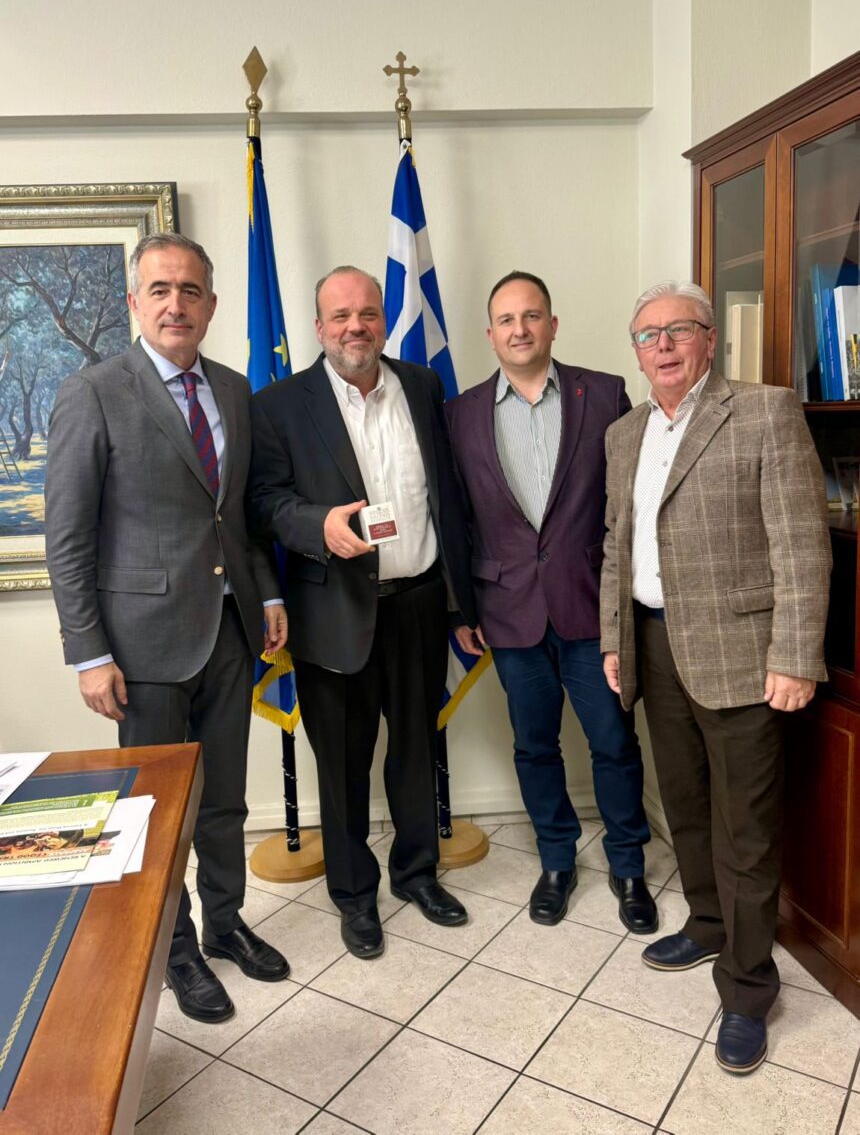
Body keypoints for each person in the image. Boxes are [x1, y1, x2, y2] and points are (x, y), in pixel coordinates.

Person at [45, 233, 290, 1024]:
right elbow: (68, 537)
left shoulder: (235, 389)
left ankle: (224, 923)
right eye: (159, 289)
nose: (175, 303)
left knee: (224, 799)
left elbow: (237, 517)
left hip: (230, 633)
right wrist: (88, 653)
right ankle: (173, 947)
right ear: (134, 302)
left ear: (211, 305)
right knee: (156, 812)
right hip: (140, 646)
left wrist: (267, 595)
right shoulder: (93, 391)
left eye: (189, 290)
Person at [601, 279, 831, 1074]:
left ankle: (748, 985)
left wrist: (794, 655)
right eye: (648, 334)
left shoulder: (765, 411)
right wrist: (614, 639)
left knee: (746, 827)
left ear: (709, 339)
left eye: (679, 329)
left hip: (741, 654)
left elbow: (802, 544)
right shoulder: (624, 433)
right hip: (653, 644)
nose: (662, 345)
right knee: (686, 803)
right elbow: (616, 545)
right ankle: (706, 923)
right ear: (636, 351)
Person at [248, 266, 477, 959]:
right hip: (334, 611)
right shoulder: (280, 404)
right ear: (319, 327)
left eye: (368, 313)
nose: (356, 326)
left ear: (383, 320)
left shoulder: (424, 385)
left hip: (418, 603)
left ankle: (416, 874)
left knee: (415, 749)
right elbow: (264, 502)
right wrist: (317, 525)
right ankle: (353, 895)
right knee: (343, 764)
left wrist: (460, 602)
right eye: (341, 315)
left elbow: (447, 495)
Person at [447, 271, 656, 931]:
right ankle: (557, 860)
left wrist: (625, 600)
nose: (520, 329)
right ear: (490, 334)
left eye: (531, 316)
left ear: (552, 324)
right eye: (507, 320)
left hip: (590, 606)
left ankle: (628, 866)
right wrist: (461, 610)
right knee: (535, 747)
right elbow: (456, 518)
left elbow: (629, 504)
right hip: (508, 612)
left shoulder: (606, 394)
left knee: (613, 742)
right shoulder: (460, 414)